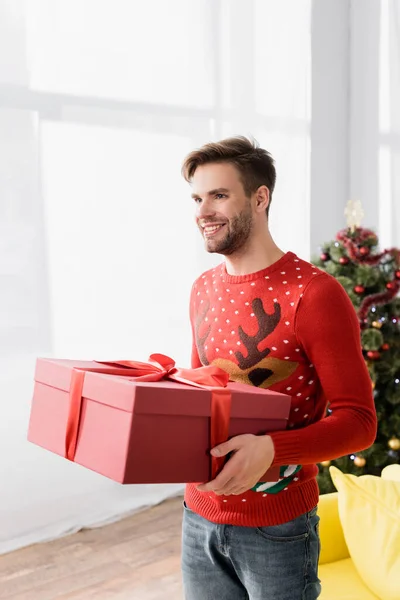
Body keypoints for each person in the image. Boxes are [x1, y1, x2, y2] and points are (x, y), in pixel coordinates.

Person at [180, 136, 377, 600]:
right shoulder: (202, 288)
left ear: (260, 197)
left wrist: (270, 449)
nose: (203, 211)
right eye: (197, 197)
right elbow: (199, 399)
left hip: (277, 530)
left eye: (219, 195)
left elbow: (360, 423)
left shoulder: (314, 294)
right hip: (197, 516)